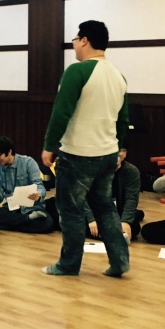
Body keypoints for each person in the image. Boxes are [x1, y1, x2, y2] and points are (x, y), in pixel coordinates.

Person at [41, 20, 130, 276]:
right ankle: (120, 262)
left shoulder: (77, 71)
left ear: (84, 40)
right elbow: (123, 119)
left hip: (78, 154)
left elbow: (61, 112)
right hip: (107, 153)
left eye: (75, 40)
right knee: (105, 207)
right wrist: (118, 148)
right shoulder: (118, 76)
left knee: (70, 211)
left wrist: (49, 145)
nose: (74, 45)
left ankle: (68, 265)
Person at [0, 135, 53, 233]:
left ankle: (11, 223)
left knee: (47, 222)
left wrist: (38, 195)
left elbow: (39, 185)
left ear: (9, 151)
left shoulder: (28, 162)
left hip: (31, 207)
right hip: (11, 208)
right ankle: (27, 219)